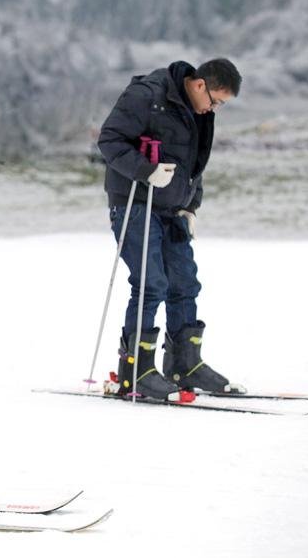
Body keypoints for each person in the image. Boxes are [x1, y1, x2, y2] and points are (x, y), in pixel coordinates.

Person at [97, 58, 243, 401]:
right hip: (133, 202)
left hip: (172, 208)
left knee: (184, 282)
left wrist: (192, 205)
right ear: (199, 84)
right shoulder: (147, 94)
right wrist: (146, 170)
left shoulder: (199, 112)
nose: (213, 109)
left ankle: (185, 365)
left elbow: (196, 163)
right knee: (151, 283)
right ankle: (137, 370)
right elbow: (110, 139)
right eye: (215, 100)